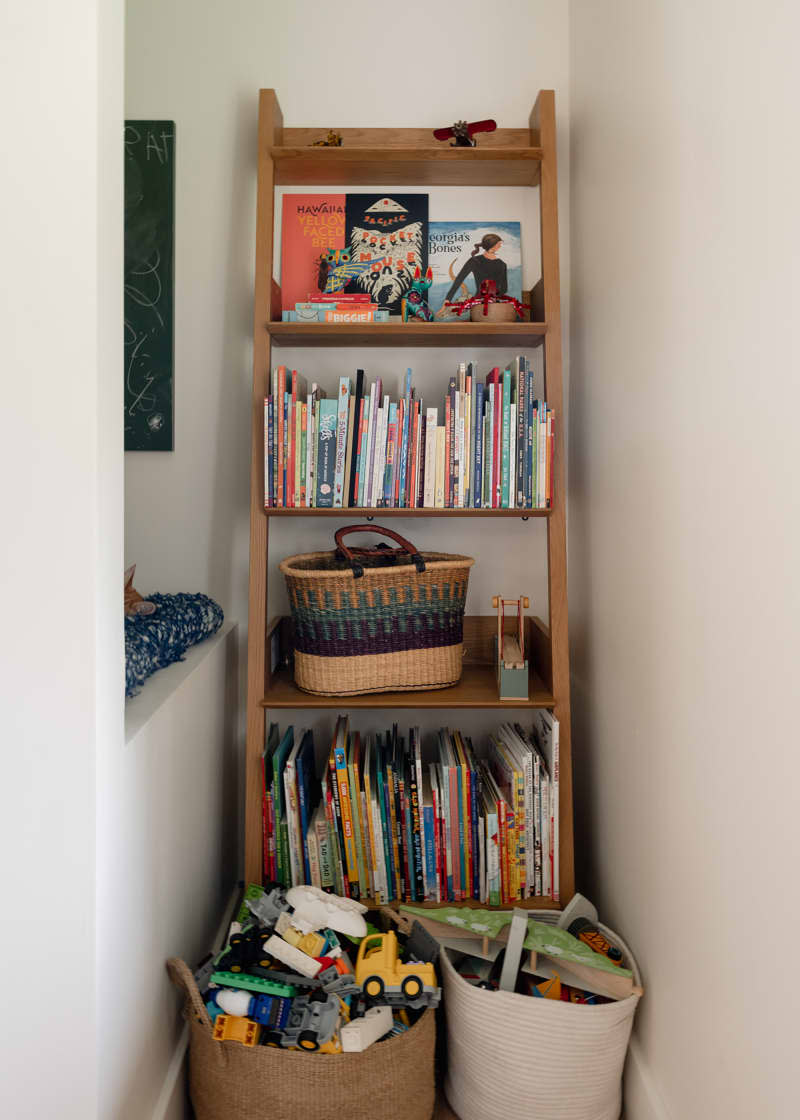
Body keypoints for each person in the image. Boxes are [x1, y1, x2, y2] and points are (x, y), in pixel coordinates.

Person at [444, 233, 508, 304]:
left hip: (478, 302)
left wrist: (448, 299)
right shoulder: (502, 264)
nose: (500, 246)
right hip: (495, 303)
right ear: (493, 245)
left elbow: (459, 280)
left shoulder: (474, 260)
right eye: (499, 244)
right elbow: (504, 289)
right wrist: (494, 297)